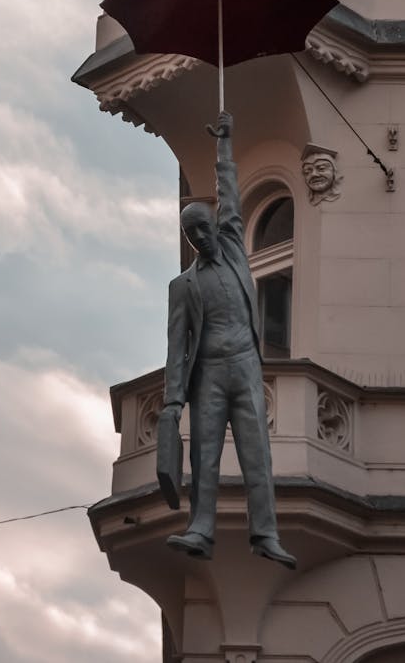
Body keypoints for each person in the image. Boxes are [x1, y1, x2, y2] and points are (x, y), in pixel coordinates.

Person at [160, 111, 296, 569]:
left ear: (214, 225)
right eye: (190, 234)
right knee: (205, 454)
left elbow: (230, 194)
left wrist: (223, 146)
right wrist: (172, 401)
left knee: (257, 450)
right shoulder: (184, 286)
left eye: (202, 227)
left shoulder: (236, 245)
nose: (199, 237)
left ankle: (267, 532)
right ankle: (201, 528)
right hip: (209, 374)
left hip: (244, 364)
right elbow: (177, 347)